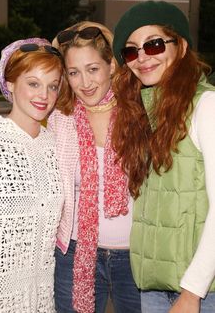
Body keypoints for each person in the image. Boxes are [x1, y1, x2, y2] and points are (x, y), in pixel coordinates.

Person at [111, 0, 215, 313]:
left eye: (154, 44)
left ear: (181, 47)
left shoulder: (205, 106)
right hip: (154, 286)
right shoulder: (143, 113)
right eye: (131, 50)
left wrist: (192, 293)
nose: (142, 58)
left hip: (199, 292)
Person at [47, 21, 141, 313]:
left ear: (112, 66)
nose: (85, 83)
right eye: (74, 72)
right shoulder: (57, 119)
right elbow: (18, 85)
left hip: (137, 257)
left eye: (93, 69)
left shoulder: (140, 112)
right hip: (75, 253)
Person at [0, 38, 65, 312]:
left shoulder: (57, 146)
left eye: (52, 86)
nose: (44, 95)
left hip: (41, 298)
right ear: (11, 83)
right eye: (33, 83)